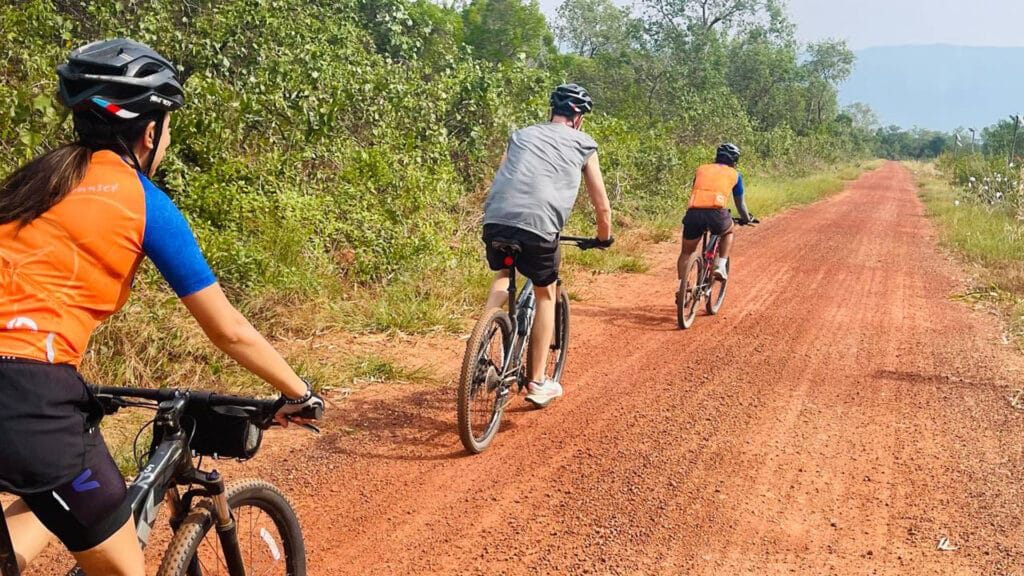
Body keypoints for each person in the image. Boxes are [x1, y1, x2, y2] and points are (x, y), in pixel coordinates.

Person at [0, 39, 323, 576]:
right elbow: (230, 330)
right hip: (30, 394)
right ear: (150, 133)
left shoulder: (30, 183)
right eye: (167, 127)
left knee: (39, 497)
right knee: (123, 565)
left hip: (28, 403)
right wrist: (299, 392)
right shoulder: (140, 198)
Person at [481, 83, 613, 408]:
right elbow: (602, 206)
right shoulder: (584, 144)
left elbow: (505, 175)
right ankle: (538, 380)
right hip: (539, 227)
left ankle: (481, 347)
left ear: (551, 111)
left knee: (502, 273)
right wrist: (603, 236)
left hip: (496, 218)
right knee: (546, 294)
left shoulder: (521, 135)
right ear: (578, 118)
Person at [676, 143, 755, 295]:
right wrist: (747, 218)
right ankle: (720, 266)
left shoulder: (701, 169)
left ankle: (682, 286)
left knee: (686, 252)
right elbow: (740, 204)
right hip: (716, 214)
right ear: (735, 161)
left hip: (693, 213)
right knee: (728, 230)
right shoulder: (735, 174)